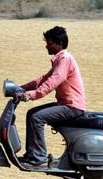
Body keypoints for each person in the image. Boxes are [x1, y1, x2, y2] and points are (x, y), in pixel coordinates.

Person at [18, 26, 86, 169]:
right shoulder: (59, 59)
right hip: (64, 104)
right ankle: (32, 155)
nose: (46, 46)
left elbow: (52, 82)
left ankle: (39, 158)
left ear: (59, 43)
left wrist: (31, 95)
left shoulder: (65, 59)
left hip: (72, 107)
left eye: (49, 43)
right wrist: (21, 88)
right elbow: (43, 79)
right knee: (32, 113)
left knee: (37, 117)